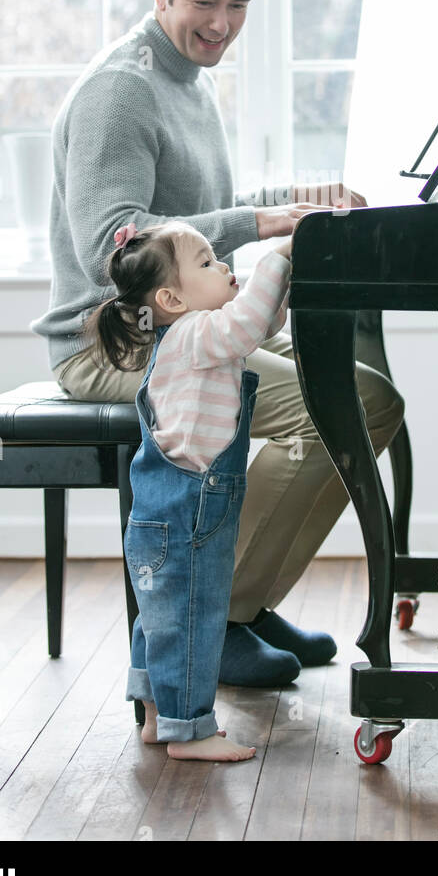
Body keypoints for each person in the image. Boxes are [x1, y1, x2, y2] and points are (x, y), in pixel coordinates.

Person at [30, 0, 406, 688]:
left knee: (371, 398)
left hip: (183, 331)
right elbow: (121, 248)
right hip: (114, 346)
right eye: (204, 2)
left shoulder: (188, 82)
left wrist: (309, 199)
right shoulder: (120, 93)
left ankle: (247, 597)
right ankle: (214, 615)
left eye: (238, 6)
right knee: (332, 405)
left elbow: (206, 214)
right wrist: (265, 218)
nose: (221, 25)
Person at [85, 217, 295, 760]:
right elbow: (248, 325)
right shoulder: (196, 335)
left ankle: (157, 716)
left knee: (160, 615)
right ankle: (190, 731)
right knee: (195, 617)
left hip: (165, 506)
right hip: (191, 509)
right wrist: (278, 255)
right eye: (206, 261)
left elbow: (261, 325)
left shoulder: (191, 334)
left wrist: (285, 276)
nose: (223, 265)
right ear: (171, 298)